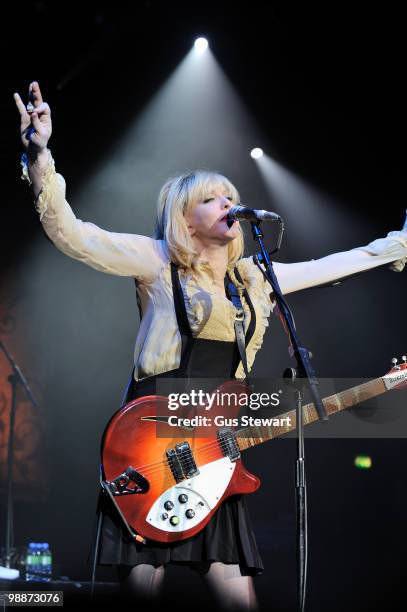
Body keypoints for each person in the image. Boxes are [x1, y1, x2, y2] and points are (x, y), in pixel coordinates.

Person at [14, 81, 407, 611]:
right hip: (152, 441)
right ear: (185, 216)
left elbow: (330, 267)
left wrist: (397, 244)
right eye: (212, 198)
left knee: (238, 596)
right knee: (143, 590)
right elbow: (73, 234)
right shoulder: (156, 261)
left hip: (215, 450)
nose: (229, 202)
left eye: (231, 196)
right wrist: (40, 154)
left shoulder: (254, 279)